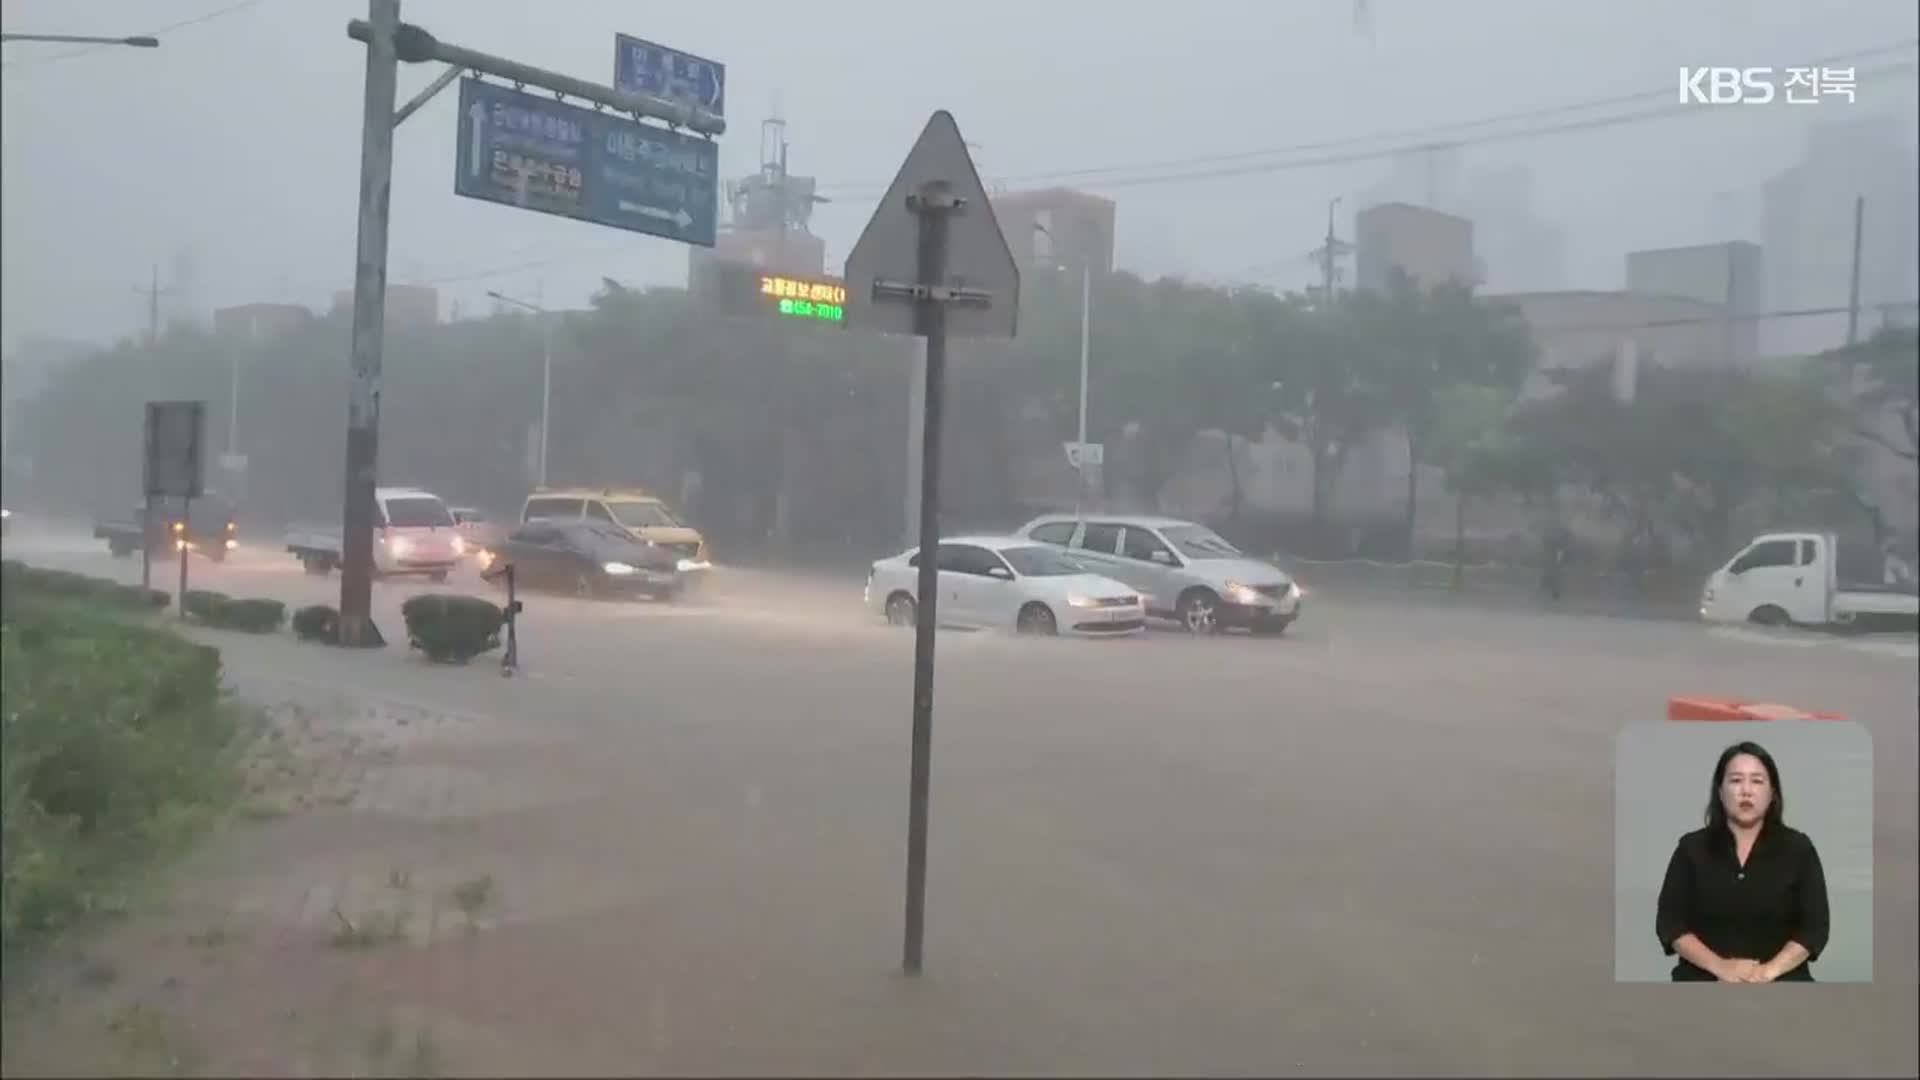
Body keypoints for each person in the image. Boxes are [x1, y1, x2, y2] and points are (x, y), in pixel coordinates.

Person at [1655, 740, 1830, 982]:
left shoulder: (1798, 849)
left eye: (1757, 781)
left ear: (1772, 794)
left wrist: (1767, 972)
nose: (1746, 790)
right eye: (1736, 780)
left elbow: (1815, 928)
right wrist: (1721, 968)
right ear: (1720, 791)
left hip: (1782, 983)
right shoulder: (1691, 849)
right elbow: (1670, 923)